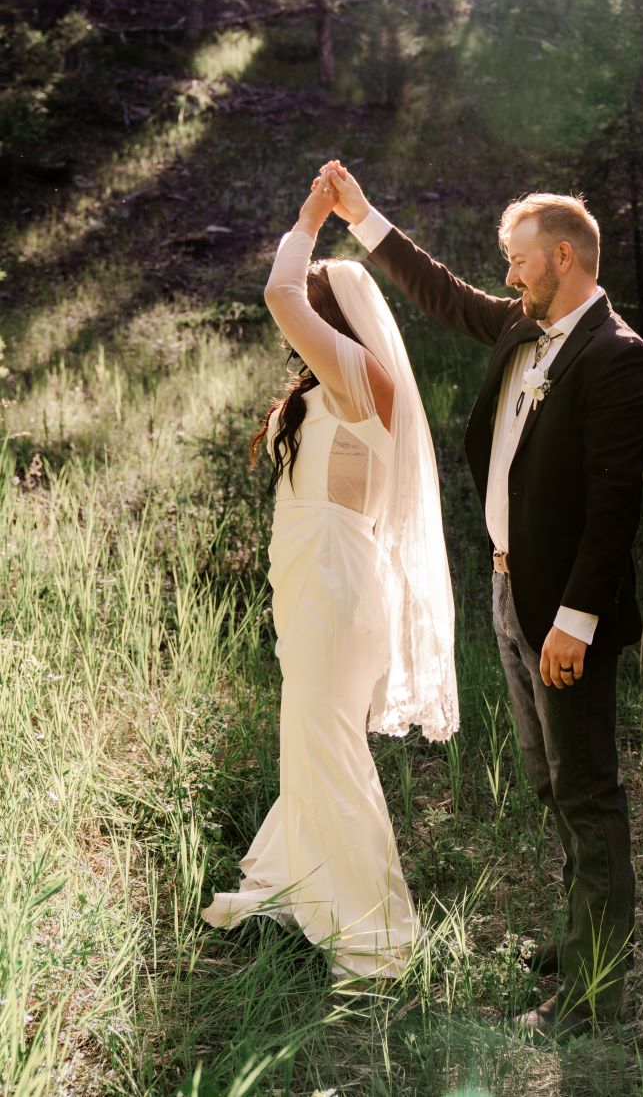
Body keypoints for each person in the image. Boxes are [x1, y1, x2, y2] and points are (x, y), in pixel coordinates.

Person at [321, 159, 643, 1032]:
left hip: (563, 618)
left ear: (562, 257)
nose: (506, 276)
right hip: (512, 595)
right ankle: (573, 934)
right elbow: (441, 293)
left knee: (588, 793)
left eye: (517, 260)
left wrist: (574, 623)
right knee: (550, 785)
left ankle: (593, 994)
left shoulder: (617, 356)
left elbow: (615, 506)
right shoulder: (523, 326)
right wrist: (363, 218)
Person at [201, 168, 459, 978]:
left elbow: (281, 295)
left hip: (339, 583)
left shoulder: (363, 380)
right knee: (308, 736)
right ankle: (301, 881)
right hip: (315, 577)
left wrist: (311, 216)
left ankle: (376, 930)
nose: (297, 329)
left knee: (328, 741)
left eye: (316, 313)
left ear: (338, 318)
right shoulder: (332, 385)